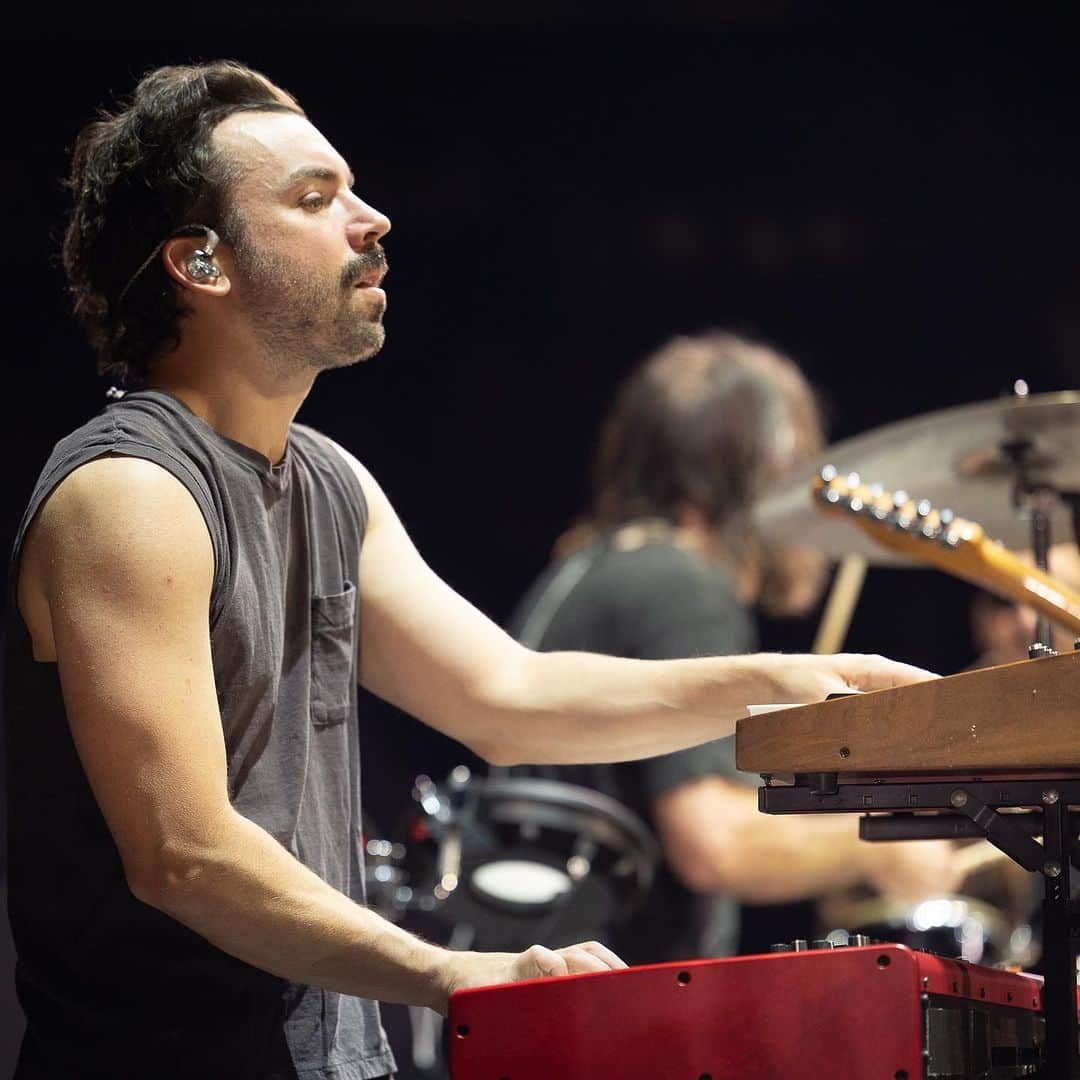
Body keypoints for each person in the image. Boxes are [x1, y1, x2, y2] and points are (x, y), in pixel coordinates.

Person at [3, 61, 939, 1080]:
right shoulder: (129, 495)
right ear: (202, 264)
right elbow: (183, 852)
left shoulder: (328, 482)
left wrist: (781, 687)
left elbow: (508, 695)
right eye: (316, 200)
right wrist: (452, 971)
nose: (373, 220)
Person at [504, 331, 966, 964]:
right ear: (765, 472)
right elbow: (712, 842)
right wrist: (881, 843)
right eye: (806, 467)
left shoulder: (588, 565)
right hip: (598, 1008)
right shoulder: (682, 586)